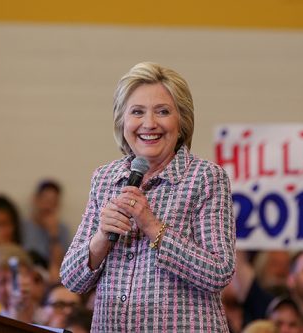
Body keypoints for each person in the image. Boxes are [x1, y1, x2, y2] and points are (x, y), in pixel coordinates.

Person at [60, 62, 236, 332]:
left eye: (163, 112)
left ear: (182, 121)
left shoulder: (206, 178)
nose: (149, 124)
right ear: (123, 121)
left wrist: (152, 226)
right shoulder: (105, 179)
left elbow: (219, 272)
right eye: (137, 112)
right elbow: (72, 280)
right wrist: (100, 239)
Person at [22, 180, 70, 284]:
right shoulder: (22, 227)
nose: (48, 207)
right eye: (45, 200)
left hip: (52, 280)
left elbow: (62, 266)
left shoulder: (62, 230)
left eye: (53, 203)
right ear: (35, 199)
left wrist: (54, 234)